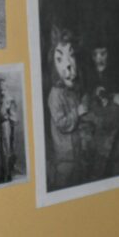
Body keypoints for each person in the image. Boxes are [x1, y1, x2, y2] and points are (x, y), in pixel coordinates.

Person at [46, 27, 86, 189]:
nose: (69, 63)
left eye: (71, 55)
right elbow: (62, 123)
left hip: (77, 153)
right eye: (60, 58)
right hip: (64, 158)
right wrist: (78, 112)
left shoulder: (73, 89)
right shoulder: (55, 94)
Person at [0, 80, 18, 182]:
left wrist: (9, 122)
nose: (1, 90)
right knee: (0, 150)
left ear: (6, 87)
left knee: (7, 150)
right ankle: (2, 173)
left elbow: (14, 116)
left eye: (3, 87)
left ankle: (8, 173)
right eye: (0, 87)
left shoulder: (10, 99)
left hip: (6, 125)